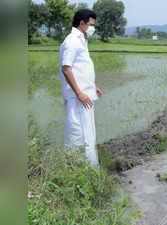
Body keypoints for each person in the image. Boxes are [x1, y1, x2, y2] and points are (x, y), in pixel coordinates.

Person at [60, 9, 102, 166]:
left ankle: (88, 169)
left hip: (85, 96)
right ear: (82, 23)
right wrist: (79, 93)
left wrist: (92, 88)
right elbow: (66, 68)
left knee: (88, 135)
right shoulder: (72, 41)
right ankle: (74, 170)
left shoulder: (81, 40)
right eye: (91, 24)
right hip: (78, 98)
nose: (93, 28)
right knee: (77, 135)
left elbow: (81, 69)